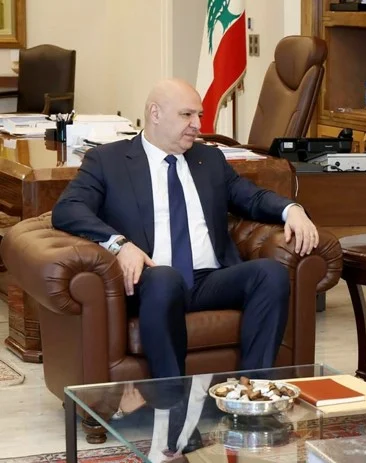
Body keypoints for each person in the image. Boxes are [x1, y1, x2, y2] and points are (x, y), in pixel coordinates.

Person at [52, 78, 319, 380]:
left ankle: (252, 389)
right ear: (155, 113)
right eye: (186, 115)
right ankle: (170, 396)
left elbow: (251, 197)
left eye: (199, 115)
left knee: (270, 274)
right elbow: (68, 208)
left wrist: (291, 209)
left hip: (209, 279)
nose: (197, 125)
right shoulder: (108, 160)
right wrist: (119, 244)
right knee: (165, 279)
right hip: (152, 279)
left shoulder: (209, 159)